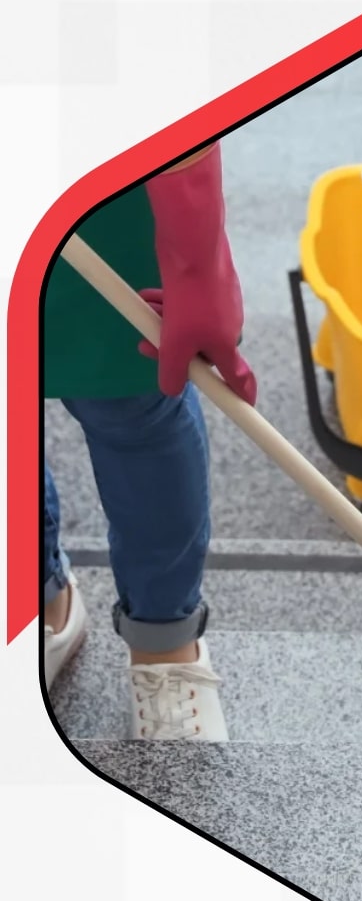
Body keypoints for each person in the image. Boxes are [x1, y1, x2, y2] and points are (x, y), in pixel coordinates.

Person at [43, 141, 256, 741]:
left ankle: (165, 642)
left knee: (132, 398)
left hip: (92, 181)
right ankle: (38, 598)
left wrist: (197, 264)